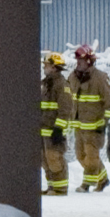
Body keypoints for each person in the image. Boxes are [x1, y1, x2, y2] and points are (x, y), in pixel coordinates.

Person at [66, 44, 110, 193]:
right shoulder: (72, 77)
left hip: (95, 127)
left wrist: (105, 124)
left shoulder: (100, 78)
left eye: (80, 61)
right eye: (77, 61)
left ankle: (86, 184)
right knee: (81, 156)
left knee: (91, 156)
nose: (78, 64)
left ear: (89, 61)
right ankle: (102, 179)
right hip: (79, 126)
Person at [39, 51, 72, 196]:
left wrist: (59, 128)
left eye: (46, 65)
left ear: (54, 67)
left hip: (54, 130)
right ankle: (52, 186)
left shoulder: (61, 85)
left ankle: (60, 188)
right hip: (43, 129)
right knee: (45, 159)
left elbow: (65, 109)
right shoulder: (46, 84)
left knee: (55, 158)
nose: (44, 67)